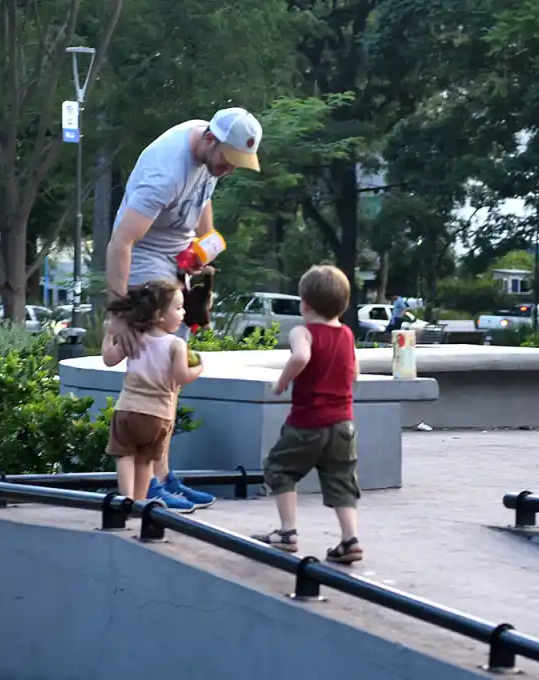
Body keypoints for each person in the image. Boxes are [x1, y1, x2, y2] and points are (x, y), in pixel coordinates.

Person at [102, 106, 263, 510]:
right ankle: (147, 486)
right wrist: (119, 313)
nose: (229, 170)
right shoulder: (165, 171)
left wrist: (205, 244)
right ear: (211, 140)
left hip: (179, 261)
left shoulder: (210, 156)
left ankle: (163, 476)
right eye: (228, 161)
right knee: (154, 377)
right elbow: (120, 243)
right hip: (146, 262)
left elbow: (204, 197)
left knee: (171, 379)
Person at [253, 265, 363, 564]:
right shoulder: (347, 334)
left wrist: (282, 382)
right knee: (342, 479)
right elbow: (354, 372)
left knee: (280, 468)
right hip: (343, 424)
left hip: (307, 422)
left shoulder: (303, 331)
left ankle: (288, 532)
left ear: (304, 305)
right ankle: (349, 539)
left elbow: (301, 356)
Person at [101, 280, 204, 509]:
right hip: (158, 416)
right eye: (178, 308)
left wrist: (109, 335)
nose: (183, 312)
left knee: (125, 456)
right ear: (159, 315)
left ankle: (125, 499)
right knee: (145, 460)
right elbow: (181, 377)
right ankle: (140, 502)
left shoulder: (135, 336)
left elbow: (109, 359)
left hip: (127, 409)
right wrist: (199, 368)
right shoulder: (176, 345)